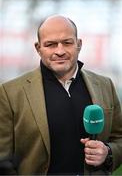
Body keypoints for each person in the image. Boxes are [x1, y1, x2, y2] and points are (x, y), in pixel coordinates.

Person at [0, 15, 122, 175]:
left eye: (67, 42)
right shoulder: (10, 93)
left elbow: (119, 138)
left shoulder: (105, 85)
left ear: (79, 44)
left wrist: (108, 152)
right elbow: (3, 161)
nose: (60, 51)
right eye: (50, 44)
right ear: (38, 48)